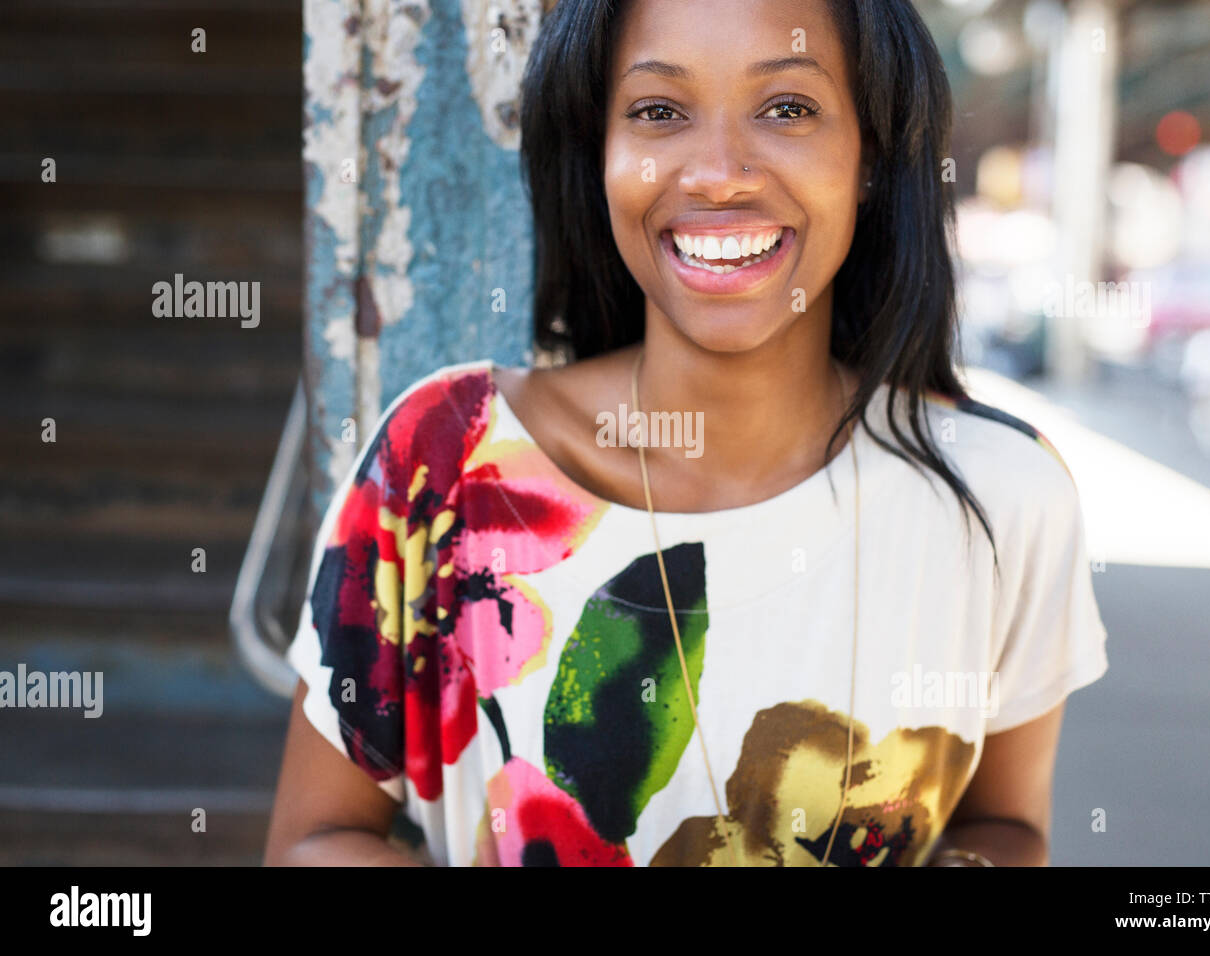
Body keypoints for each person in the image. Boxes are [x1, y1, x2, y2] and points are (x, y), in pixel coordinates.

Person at [264, 0, 1108, 867]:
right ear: (598, 153)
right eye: (658, 111)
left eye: (788, 109)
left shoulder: (1003, 499)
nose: (718, 174)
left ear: (871, 157)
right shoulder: (444, 460)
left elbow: (1006, 827)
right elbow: (316, 841)